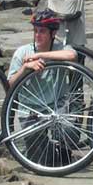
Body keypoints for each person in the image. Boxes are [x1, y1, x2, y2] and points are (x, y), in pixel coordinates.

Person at [7, 10, 78, 165]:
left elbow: (72, 56)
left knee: (71, 132)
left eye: (42, 32)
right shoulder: (22, 52)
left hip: (56, 107)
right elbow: (11, 84)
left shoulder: (60, 48)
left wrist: (41, 56)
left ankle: (61, 148)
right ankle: (49, 149)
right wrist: (25, 68)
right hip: (30, 110)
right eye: (36, 31)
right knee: (40, 161)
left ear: (53, 34)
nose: (38, 35)